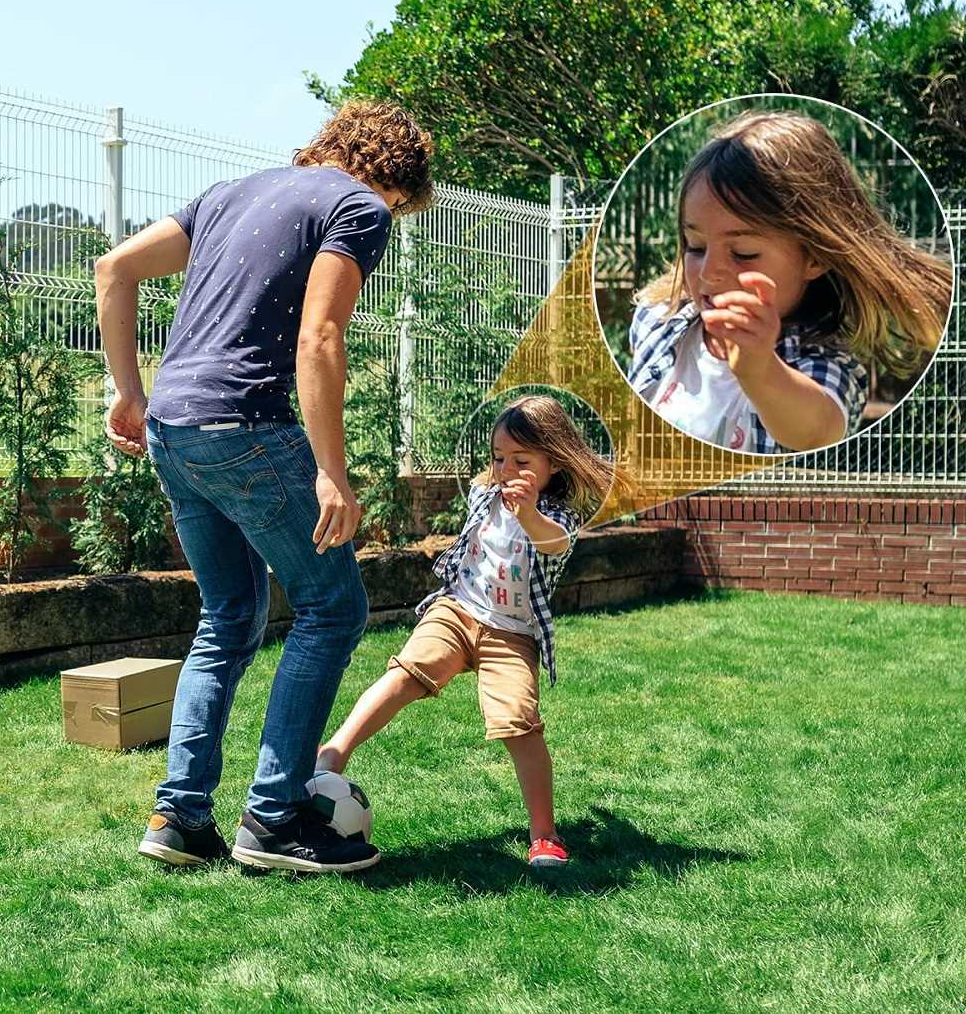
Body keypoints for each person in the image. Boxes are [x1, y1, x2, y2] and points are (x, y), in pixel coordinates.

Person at [94, 99, 433, 874]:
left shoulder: (229, 194)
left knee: (229, 616)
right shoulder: (358, 207)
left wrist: (128, 392)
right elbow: (321, 334)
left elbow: (114, 268)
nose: (392, 216)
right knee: (332, 607)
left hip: (173, 430)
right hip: (247, 426)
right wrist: (331, 471)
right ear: (394, 183)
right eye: (400, 205)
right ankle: (275, 819)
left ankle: (181, 818)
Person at [315, 395, 614, 868]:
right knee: (406, 673)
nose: (506, 470)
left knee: (519, 721)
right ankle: (332, 754)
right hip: (457, 611)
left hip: (512, 635)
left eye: (522, 461)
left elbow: (553, 545)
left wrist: (527, 511)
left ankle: (544, 834)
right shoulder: (484, 492)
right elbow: (485, 494)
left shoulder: (558, 517)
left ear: (554, 463)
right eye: (498, 458)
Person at [626, 111, 953, 454]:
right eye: (695, 246)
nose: (709, 272)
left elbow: (815, 431)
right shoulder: (657, 321)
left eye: (743, 253)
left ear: (815, 257)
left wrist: (760, 370)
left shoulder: (827, 363)